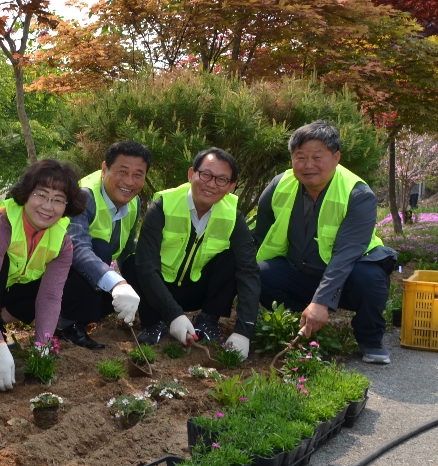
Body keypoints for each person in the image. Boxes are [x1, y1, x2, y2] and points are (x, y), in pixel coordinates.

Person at [255, 121, 396, 363]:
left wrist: (322, 302)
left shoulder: (357, 194)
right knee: (259, 274)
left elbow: (346, 254)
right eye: (300, 157)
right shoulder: (280, 185)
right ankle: (304, 325)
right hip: (300, 271)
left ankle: (370, 337)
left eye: (317, 157)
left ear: (336, 157)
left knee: (371, 279)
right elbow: (260, 236)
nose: (308, 165)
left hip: (349, 274)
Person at [0, 160, 84, 391]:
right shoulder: (1, 223)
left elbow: (50, 298)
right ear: (27, 194)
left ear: (67, 205)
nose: (47, 206)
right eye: (41, 195)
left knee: (55, 284)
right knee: (2, 262)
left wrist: (42, 349)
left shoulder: (61, 241)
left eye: (58, 200)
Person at [124, 148, 258, 357]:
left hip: (197, 291)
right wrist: (174, 315)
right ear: (191, 174)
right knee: (134, 262)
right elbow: (147, 264)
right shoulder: (163, 205)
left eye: (222, 179)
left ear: (231, 187)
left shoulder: (233, 216)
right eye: (206, 174)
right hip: (159, 290)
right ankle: (154, 323)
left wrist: (244, 331)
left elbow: (249, 270)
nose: (211, 184)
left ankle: (207, 321)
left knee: (233, 259)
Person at [57, 141, 149, 349]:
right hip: (57, 277)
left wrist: (137, 290)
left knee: (137, 262)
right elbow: (77, 248)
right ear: (104, 169)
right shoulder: (84, 195)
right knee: (99, 248)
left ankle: (86, 315)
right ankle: (66, 323)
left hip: (89, 280)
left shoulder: (133, 202)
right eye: (122, 171)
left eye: (138, 175)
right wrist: (119, 284)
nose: (129, 181)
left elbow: (127, 249)